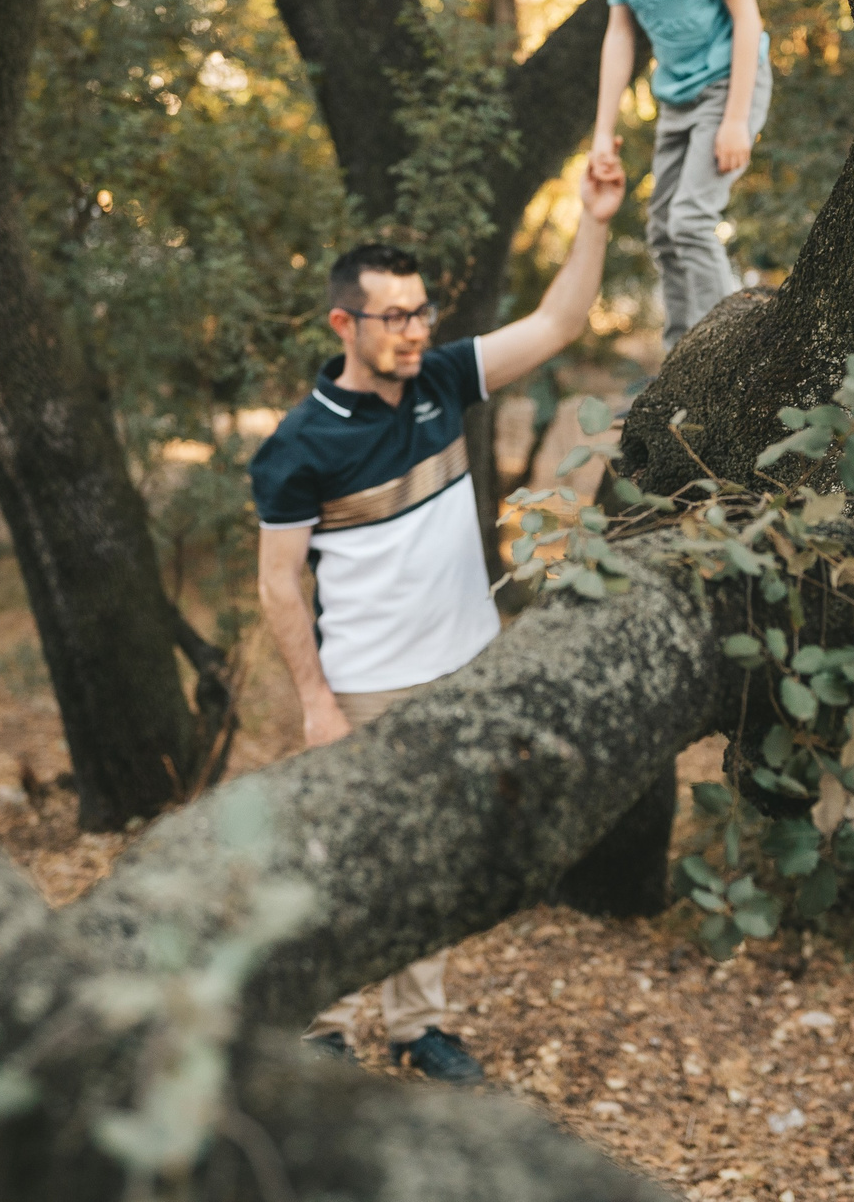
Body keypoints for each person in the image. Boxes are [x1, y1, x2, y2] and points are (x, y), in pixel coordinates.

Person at [248, 163, 625, 1081]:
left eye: (422, 312)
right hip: (364, 689)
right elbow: (277, 587)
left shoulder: (442, 380)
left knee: (437, 861)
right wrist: (316, 702)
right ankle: (323, 1028)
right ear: (345, 322)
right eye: (397, 316)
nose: (418, 330)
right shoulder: (298, 445)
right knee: (350, 862)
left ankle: (419, 1029)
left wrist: (595, 219)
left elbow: (558, 323)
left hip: (465, 669)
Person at [579, 0, 770, 356]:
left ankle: (733, 352)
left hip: (729, 83)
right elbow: (620, 34)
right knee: (662, 230)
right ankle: (684, 356)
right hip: (677, 94)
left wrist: (736, 119)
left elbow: (748, 19)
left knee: (690, 219)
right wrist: (603, 136)